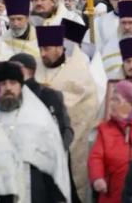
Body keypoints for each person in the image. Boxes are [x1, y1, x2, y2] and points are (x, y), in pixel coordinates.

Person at [34, 24, 100, 203]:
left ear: (59, 47)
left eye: (47, 49)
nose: (43, 54)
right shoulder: (36, 67)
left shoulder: (78, 70)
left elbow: (87, 104)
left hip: (71, 139)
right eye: (40, 48)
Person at [0, 61, 71, 202]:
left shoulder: (38, 118)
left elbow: (54, 161)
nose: (8, 87)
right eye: (2, 84)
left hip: (34, 188)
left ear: (21, 86)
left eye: (13, 82)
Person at [89, 80, 132, 203]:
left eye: (116, 100)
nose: (111, 104)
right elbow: (96, 157)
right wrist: (97, 178)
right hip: (111, 193)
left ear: (131, 104)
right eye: (111, 99)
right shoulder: (105, 129)